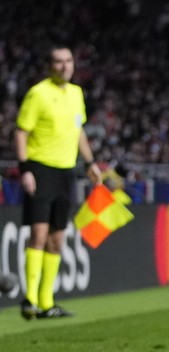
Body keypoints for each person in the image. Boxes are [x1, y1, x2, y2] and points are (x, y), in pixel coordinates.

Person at [15, 45, 102, 320]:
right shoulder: (38, 93)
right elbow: (21, 133)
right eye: (58, 62)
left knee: (57, 239)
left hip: (66, 172)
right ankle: (29, 298)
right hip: (41, 169)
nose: (64, 66)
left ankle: (47, 301)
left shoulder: (76, 94)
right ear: (49, 66)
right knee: (38, 235)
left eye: (68, 61)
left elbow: (78, 131)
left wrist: (90, 163)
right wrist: (25, 169)